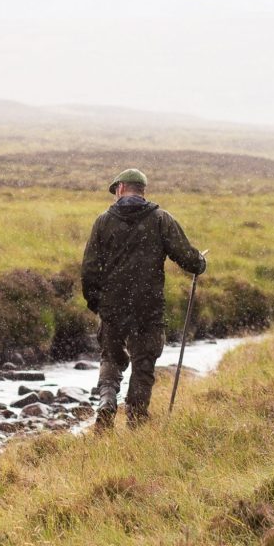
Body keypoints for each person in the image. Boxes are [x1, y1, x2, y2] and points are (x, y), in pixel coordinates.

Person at [81, 168, 206, 429]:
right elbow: (187, 258)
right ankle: (136, 421)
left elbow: (90, 269)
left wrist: (98, 304)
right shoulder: (161, 219)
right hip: (148, 307)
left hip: (113, 306)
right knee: (143, 363)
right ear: (142, 190)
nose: (116, 193)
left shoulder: (103, 221)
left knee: (111, 359)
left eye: (116, 188)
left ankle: (106, 402)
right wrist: (200, 263)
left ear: (122, 188)